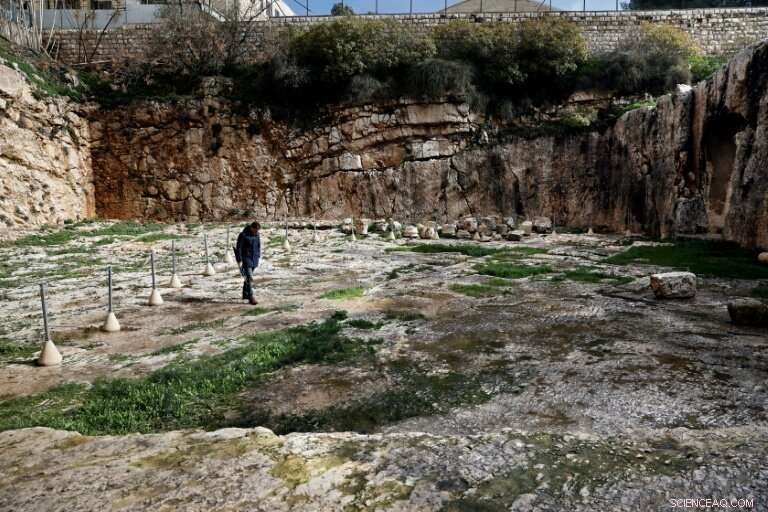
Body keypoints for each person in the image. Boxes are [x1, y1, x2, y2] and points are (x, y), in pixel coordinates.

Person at [235, 221, 261, 305]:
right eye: (255, 230)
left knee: (247, 277)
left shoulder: (257, 235)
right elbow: (239, 248)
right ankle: (251, 297)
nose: (256, 232)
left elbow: (258, 245)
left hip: (254, 259)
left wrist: (258, 255)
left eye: (257, 230)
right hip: (246, 259)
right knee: (249, 277)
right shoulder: (243, 235)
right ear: (251, 228)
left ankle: (245, 294)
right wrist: (239, 259)